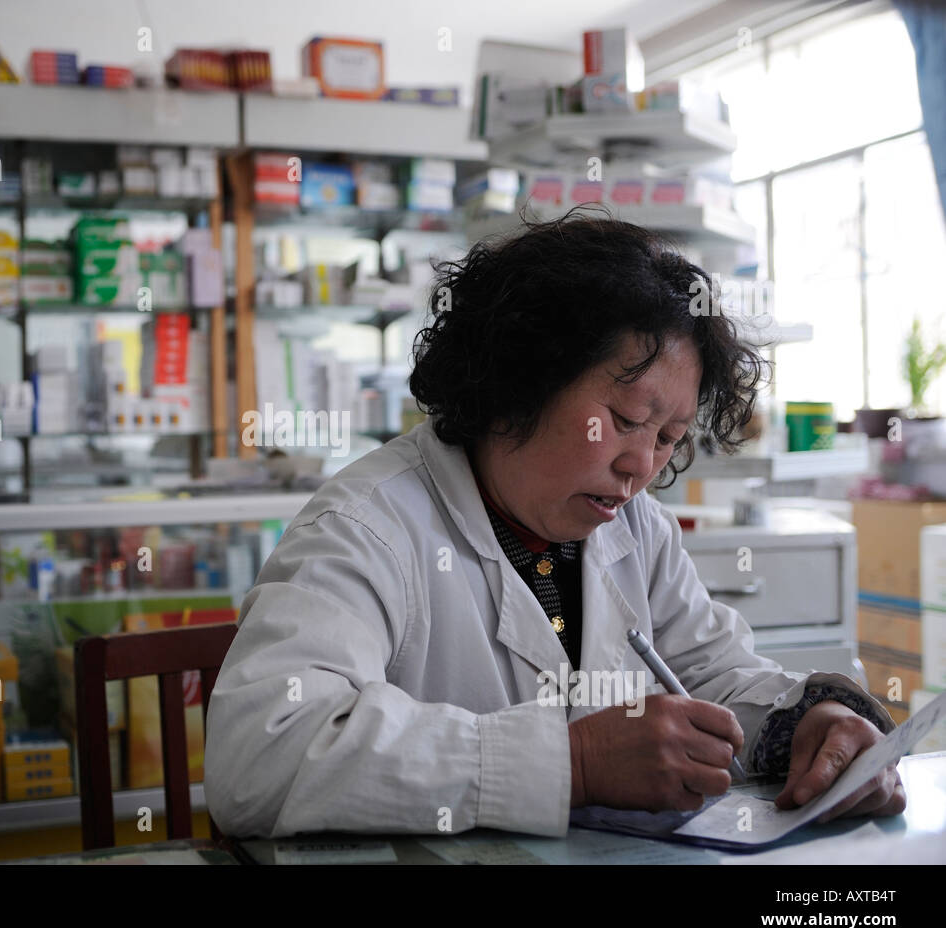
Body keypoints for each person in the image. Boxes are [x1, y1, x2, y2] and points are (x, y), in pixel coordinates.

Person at [203, 212, 905, 839]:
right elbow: (259, 755)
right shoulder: (369, 528)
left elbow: (715, 679)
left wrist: (801, 727)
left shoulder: (638, 533)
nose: (640, 465)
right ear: (519, 382)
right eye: (626, 421)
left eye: (669, 436)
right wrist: (570, 761)